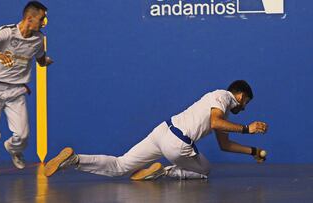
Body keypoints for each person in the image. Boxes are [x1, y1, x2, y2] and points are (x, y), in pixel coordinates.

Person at [44, 80, 268, 180]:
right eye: (246, 102)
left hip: (162, 131)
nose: (245, 107)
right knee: (206, 170)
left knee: (120, 165)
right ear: (239, 96)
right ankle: (164, 172)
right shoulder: (223, 96)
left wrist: (253, 151)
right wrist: (248, 129)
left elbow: (224, 144)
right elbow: (216, 123)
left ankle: (73, 160)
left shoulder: (219, 107)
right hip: (178, 144)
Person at [0, 1, 52, 178]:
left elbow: (40, 59)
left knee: (22, 134)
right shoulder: (7, 32)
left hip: (16, 91)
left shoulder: (39, 39)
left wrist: (46, 61)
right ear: (29, 19)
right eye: (41, 19)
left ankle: (13, 148)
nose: (44, 22)